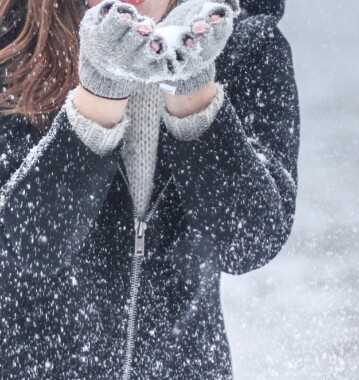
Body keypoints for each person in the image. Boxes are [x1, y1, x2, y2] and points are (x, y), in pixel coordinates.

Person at [0, 0, 299, 378]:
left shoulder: (247, 46)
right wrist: (100, 94)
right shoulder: (16, 42)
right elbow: (23, 250)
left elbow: (249, 242)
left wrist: (192, 94)